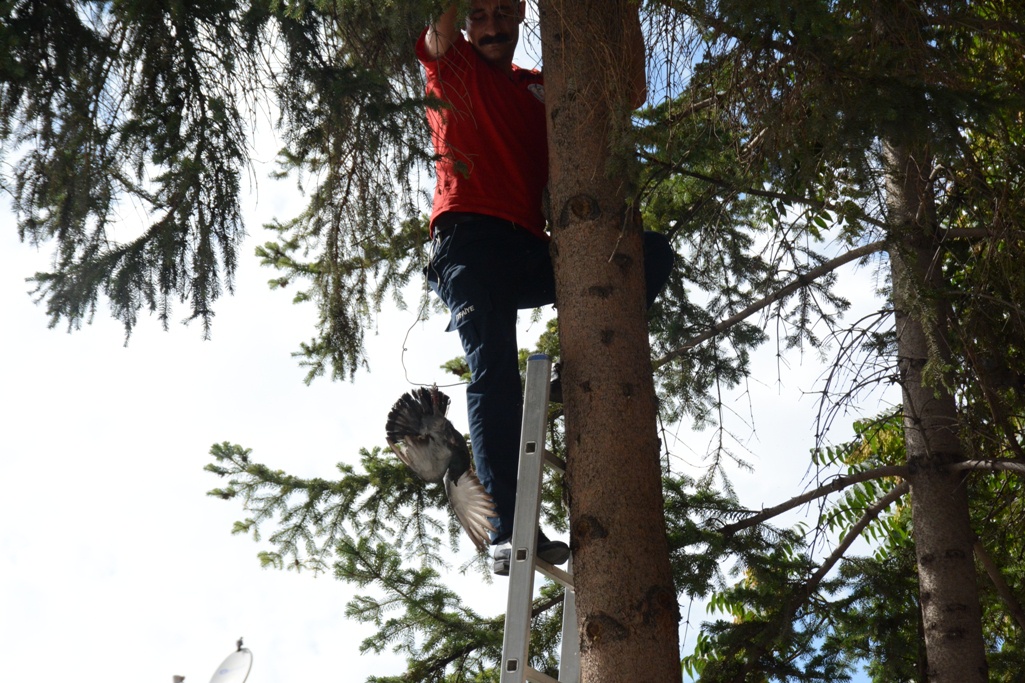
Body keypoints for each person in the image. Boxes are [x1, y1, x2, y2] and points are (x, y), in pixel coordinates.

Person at [416, 0, 673, 575]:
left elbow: (624, 91)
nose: (491, 26)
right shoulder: (450, 64)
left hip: (529, 247)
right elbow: (438, 26)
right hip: (469, 241)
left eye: (504, 14)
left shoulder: (539, 89)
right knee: (494, 373)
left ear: (523, 18)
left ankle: (564, 381)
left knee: (650, 254)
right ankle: (508, 534)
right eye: (478, 15)